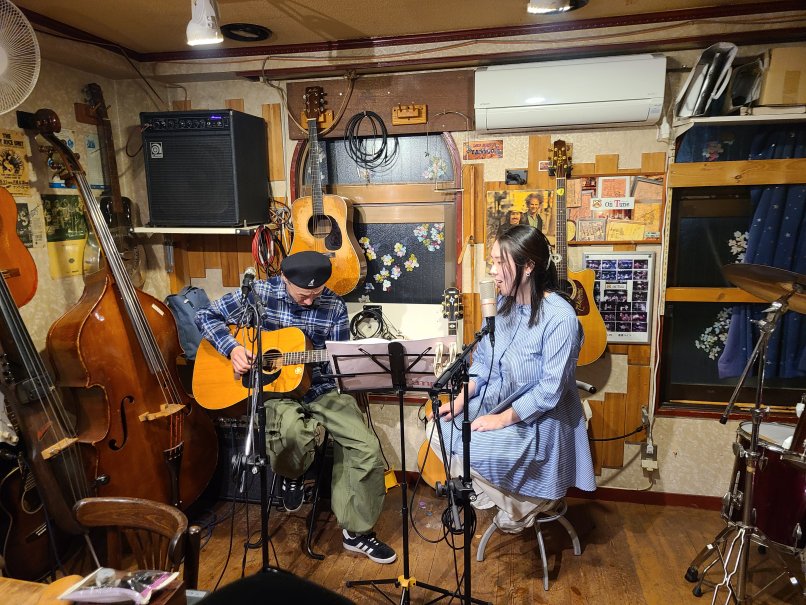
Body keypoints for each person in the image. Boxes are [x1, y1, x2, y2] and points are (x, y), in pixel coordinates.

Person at [195, 251, 396, 564]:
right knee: (292, 433)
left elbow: (336, 368)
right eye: (304, 295)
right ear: (284, 280)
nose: (310, 300)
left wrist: (353, 364)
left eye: (316, 293)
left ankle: (356, 532)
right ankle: (293, 473)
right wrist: (233, 348)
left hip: (320, 388)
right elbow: (205, 316)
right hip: (275, 392)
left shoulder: (334, 306)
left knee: (366, 446)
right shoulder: (259, 294)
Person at [435, 225, 595, 532]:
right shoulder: (501, 307)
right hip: (497, 402)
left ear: (528, 266)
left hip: (539, 419)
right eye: (492, 262)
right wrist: (460, 401)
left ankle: (523, 503)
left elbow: (549, 391)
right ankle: (512, 500)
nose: (493, 271)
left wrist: (501, 420)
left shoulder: (560, 318)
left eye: (500, 262)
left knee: (471, 445)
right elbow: (483, 363)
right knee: (439, 428)